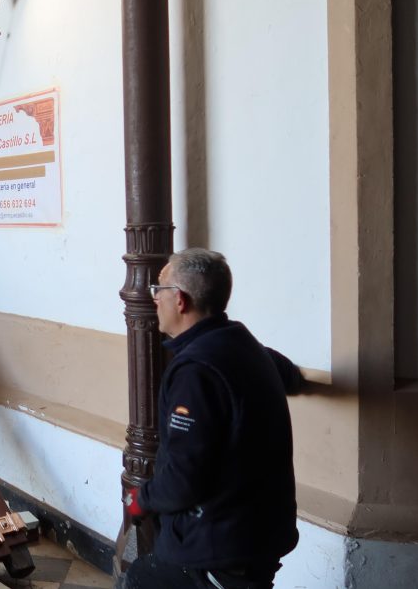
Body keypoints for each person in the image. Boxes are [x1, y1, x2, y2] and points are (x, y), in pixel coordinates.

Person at [124, 248, 302, 589]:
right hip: (262, 534)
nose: (154, 298)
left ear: (180, 300)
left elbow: (184, 479)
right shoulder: (243, 344)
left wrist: (140, 499)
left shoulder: (196, 372)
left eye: (158, 289)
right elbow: (289, 374)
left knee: (139, 579)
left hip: (221, 548)